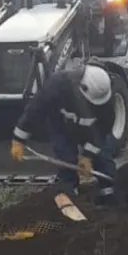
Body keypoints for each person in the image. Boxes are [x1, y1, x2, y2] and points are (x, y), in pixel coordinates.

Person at [10, 63, 118, 206]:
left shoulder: (105, 99)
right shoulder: (57, 85)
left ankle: (110, 197)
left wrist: (88, 156)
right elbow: (34, 111)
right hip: (61, 125)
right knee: (66, 159)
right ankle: (70, 194)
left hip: (92, 130)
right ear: (81, 88)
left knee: (104, 159)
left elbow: (102, 132)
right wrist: (19, 140)